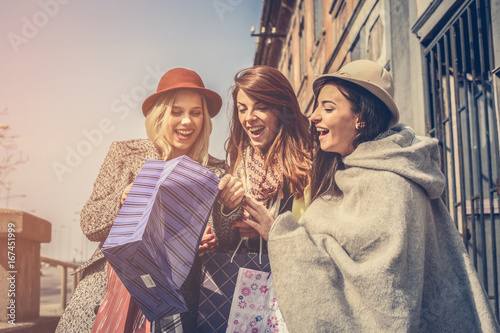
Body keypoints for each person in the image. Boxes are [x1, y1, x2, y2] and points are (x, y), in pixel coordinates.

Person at [242, 59, 500, 332]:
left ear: (360, 118)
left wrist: (280, 236)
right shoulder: (342, 176)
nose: (314, 116)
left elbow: (384, 295)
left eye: (327, 108)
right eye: (317, 107)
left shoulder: (393, 184)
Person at [55, 67, 243, 333]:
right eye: (176, 111)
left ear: (205, 119)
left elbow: (227, 244)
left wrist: (228, 210)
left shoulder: (216, 171)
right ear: (160, 114)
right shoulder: (125, 154)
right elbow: (89, 223)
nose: (187, 121)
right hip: (112, 286)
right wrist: (122, 200)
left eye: (195, 112)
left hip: (175, 300)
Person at [211, 65, 312, 252]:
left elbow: (325, 242)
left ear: (282, 109)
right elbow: (228, 243)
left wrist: (274, 231)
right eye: (242, 109)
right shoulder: (240, 165)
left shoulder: (310, 162)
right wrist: (230, 211)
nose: (248, 118)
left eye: (261, 108)